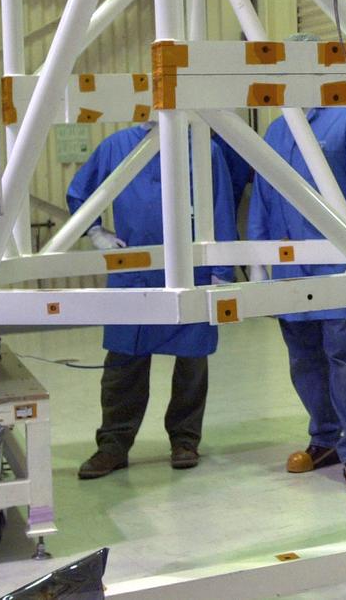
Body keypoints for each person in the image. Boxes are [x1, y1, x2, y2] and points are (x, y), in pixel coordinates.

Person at [68, 123, 249, 479]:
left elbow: (220, 206)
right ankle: (113, 445)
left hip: (191, 269)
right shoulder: (117, 146)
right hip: (133, 270)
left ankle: (185, 439)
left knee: (192, 362)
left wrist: (222, 270)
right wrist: (95, 230)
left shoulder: (202, 148)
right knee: (123, 363)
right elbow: (81, 191)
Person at [247, 98, 346, 493]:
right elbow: (263, 194)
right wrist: (257, 255)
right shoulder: (275, 129)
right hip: (289, 263)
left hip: (339, 261)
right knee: (303, 356)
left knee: (341, 354)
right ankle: (323, 440)